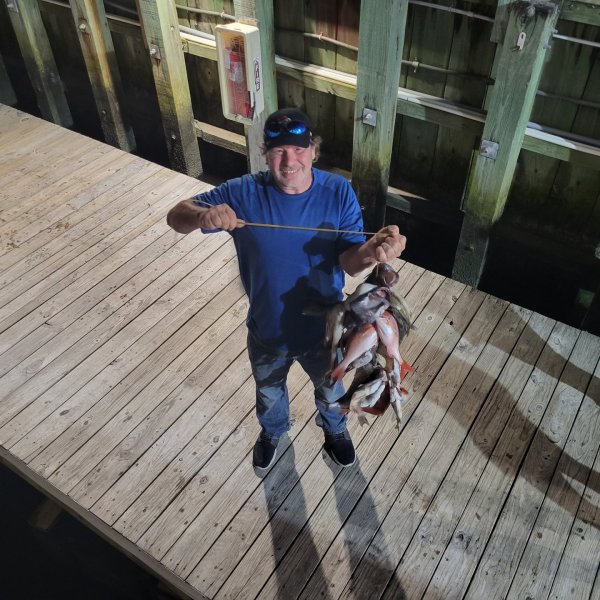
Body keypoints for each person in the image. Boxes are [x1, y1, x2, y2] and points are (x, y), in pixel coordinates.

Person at [166, 108, 406, 471]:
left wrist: (374, 250)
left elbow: (350, 264)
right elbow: (176, 216)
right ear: (266, 153)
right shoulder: (243, 192)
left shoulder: (338, 192)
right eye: (279, 151)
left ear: (313, 150)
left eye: (298, 149)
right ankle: (273, 431)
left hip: (327, 331)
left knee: (332, 390)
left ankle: (335, 429)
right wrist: (202, 217)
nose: (289, 160)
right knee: (269, 392)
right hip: (267, 328)